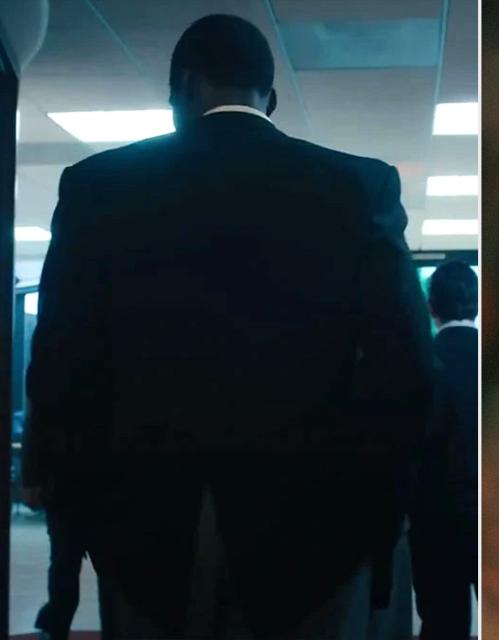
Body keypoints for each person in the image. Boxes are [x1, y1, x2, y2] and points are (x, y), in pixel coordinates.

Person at [24, 13, 433, 640]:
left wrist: (56, 484)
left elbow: (61, 359)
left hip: (143, 523)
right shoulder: (357, 187)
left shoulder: (98, 189)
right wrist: (376, 500)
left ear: (181, 88)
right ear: (268, 99)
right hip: (311, 528)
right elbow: (403, 364)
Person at [410, 260, 479, 639]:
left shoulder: (422, 366)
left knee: (442, 625)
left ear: (431, 308)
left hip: (436, 521)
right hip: (489, 516)